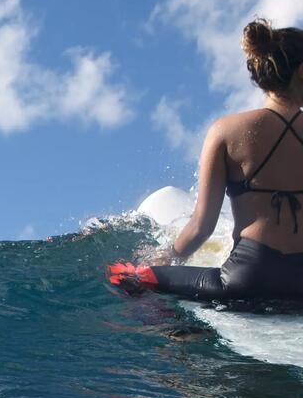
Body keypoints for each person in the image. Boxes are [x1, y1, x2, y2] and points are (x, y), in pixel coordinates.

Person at [111, 19, 303, 301]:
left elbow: (202, 226)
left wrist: (168, 256)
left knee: (125, 276)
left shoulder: (226, 130)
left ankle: (180, 338)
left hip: (248, 279)